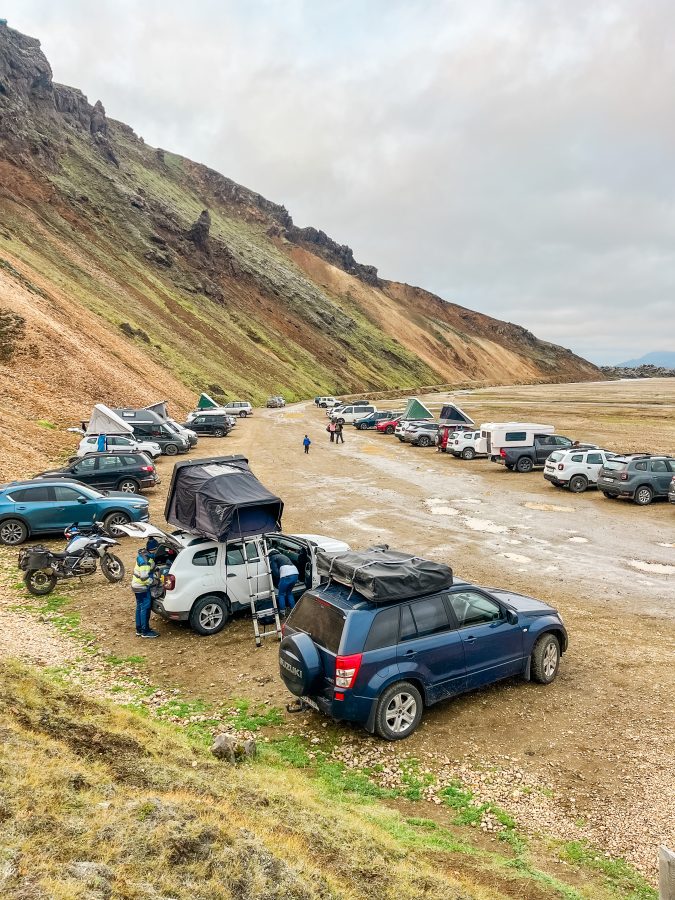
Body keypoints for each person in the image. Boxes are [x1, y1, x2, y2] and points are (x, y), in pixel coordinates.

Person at [131, 537, 160, 638]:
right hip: (142, 587)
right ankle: (145, 631)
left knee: (139, 607)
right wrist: (153, 581)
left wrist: (155, 568)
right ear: (154, 549)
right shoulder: (145, 561)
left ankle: (139, 629)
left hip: (136, 585)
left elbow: (150, 567)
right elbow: (144, 577)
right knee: (145, 608)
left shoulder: (144, 556)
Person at [269, 549, 299, 615]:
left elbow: (276, 572)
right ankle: (292, 609)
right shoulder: (283, 555)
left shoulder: (272, 558)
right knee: (289, 592)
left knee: (281, 594)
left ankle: (282, 612)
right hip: (295, 573)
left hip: (286, 575)